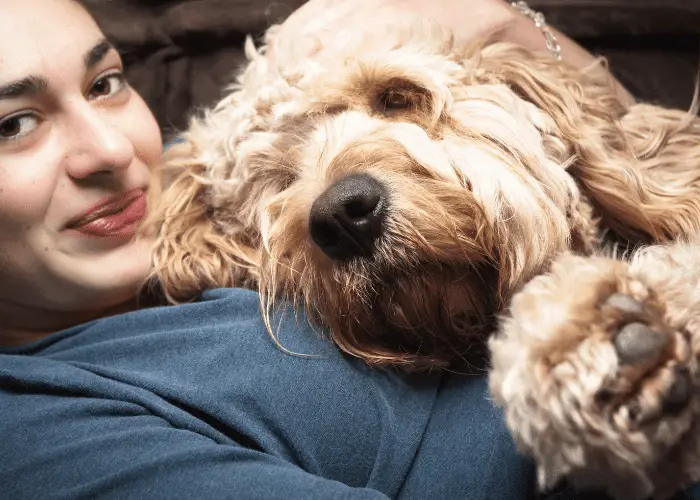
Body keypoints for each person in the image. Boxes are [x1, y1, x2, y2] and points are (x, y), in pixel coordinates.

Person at [0, 0, 692, 499]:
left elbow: (630, 164)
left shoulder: (184, 178)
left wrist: (507, 24)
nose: (113, 152)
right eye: (14, 125)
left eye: (105, 83)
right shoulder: (40, 431)